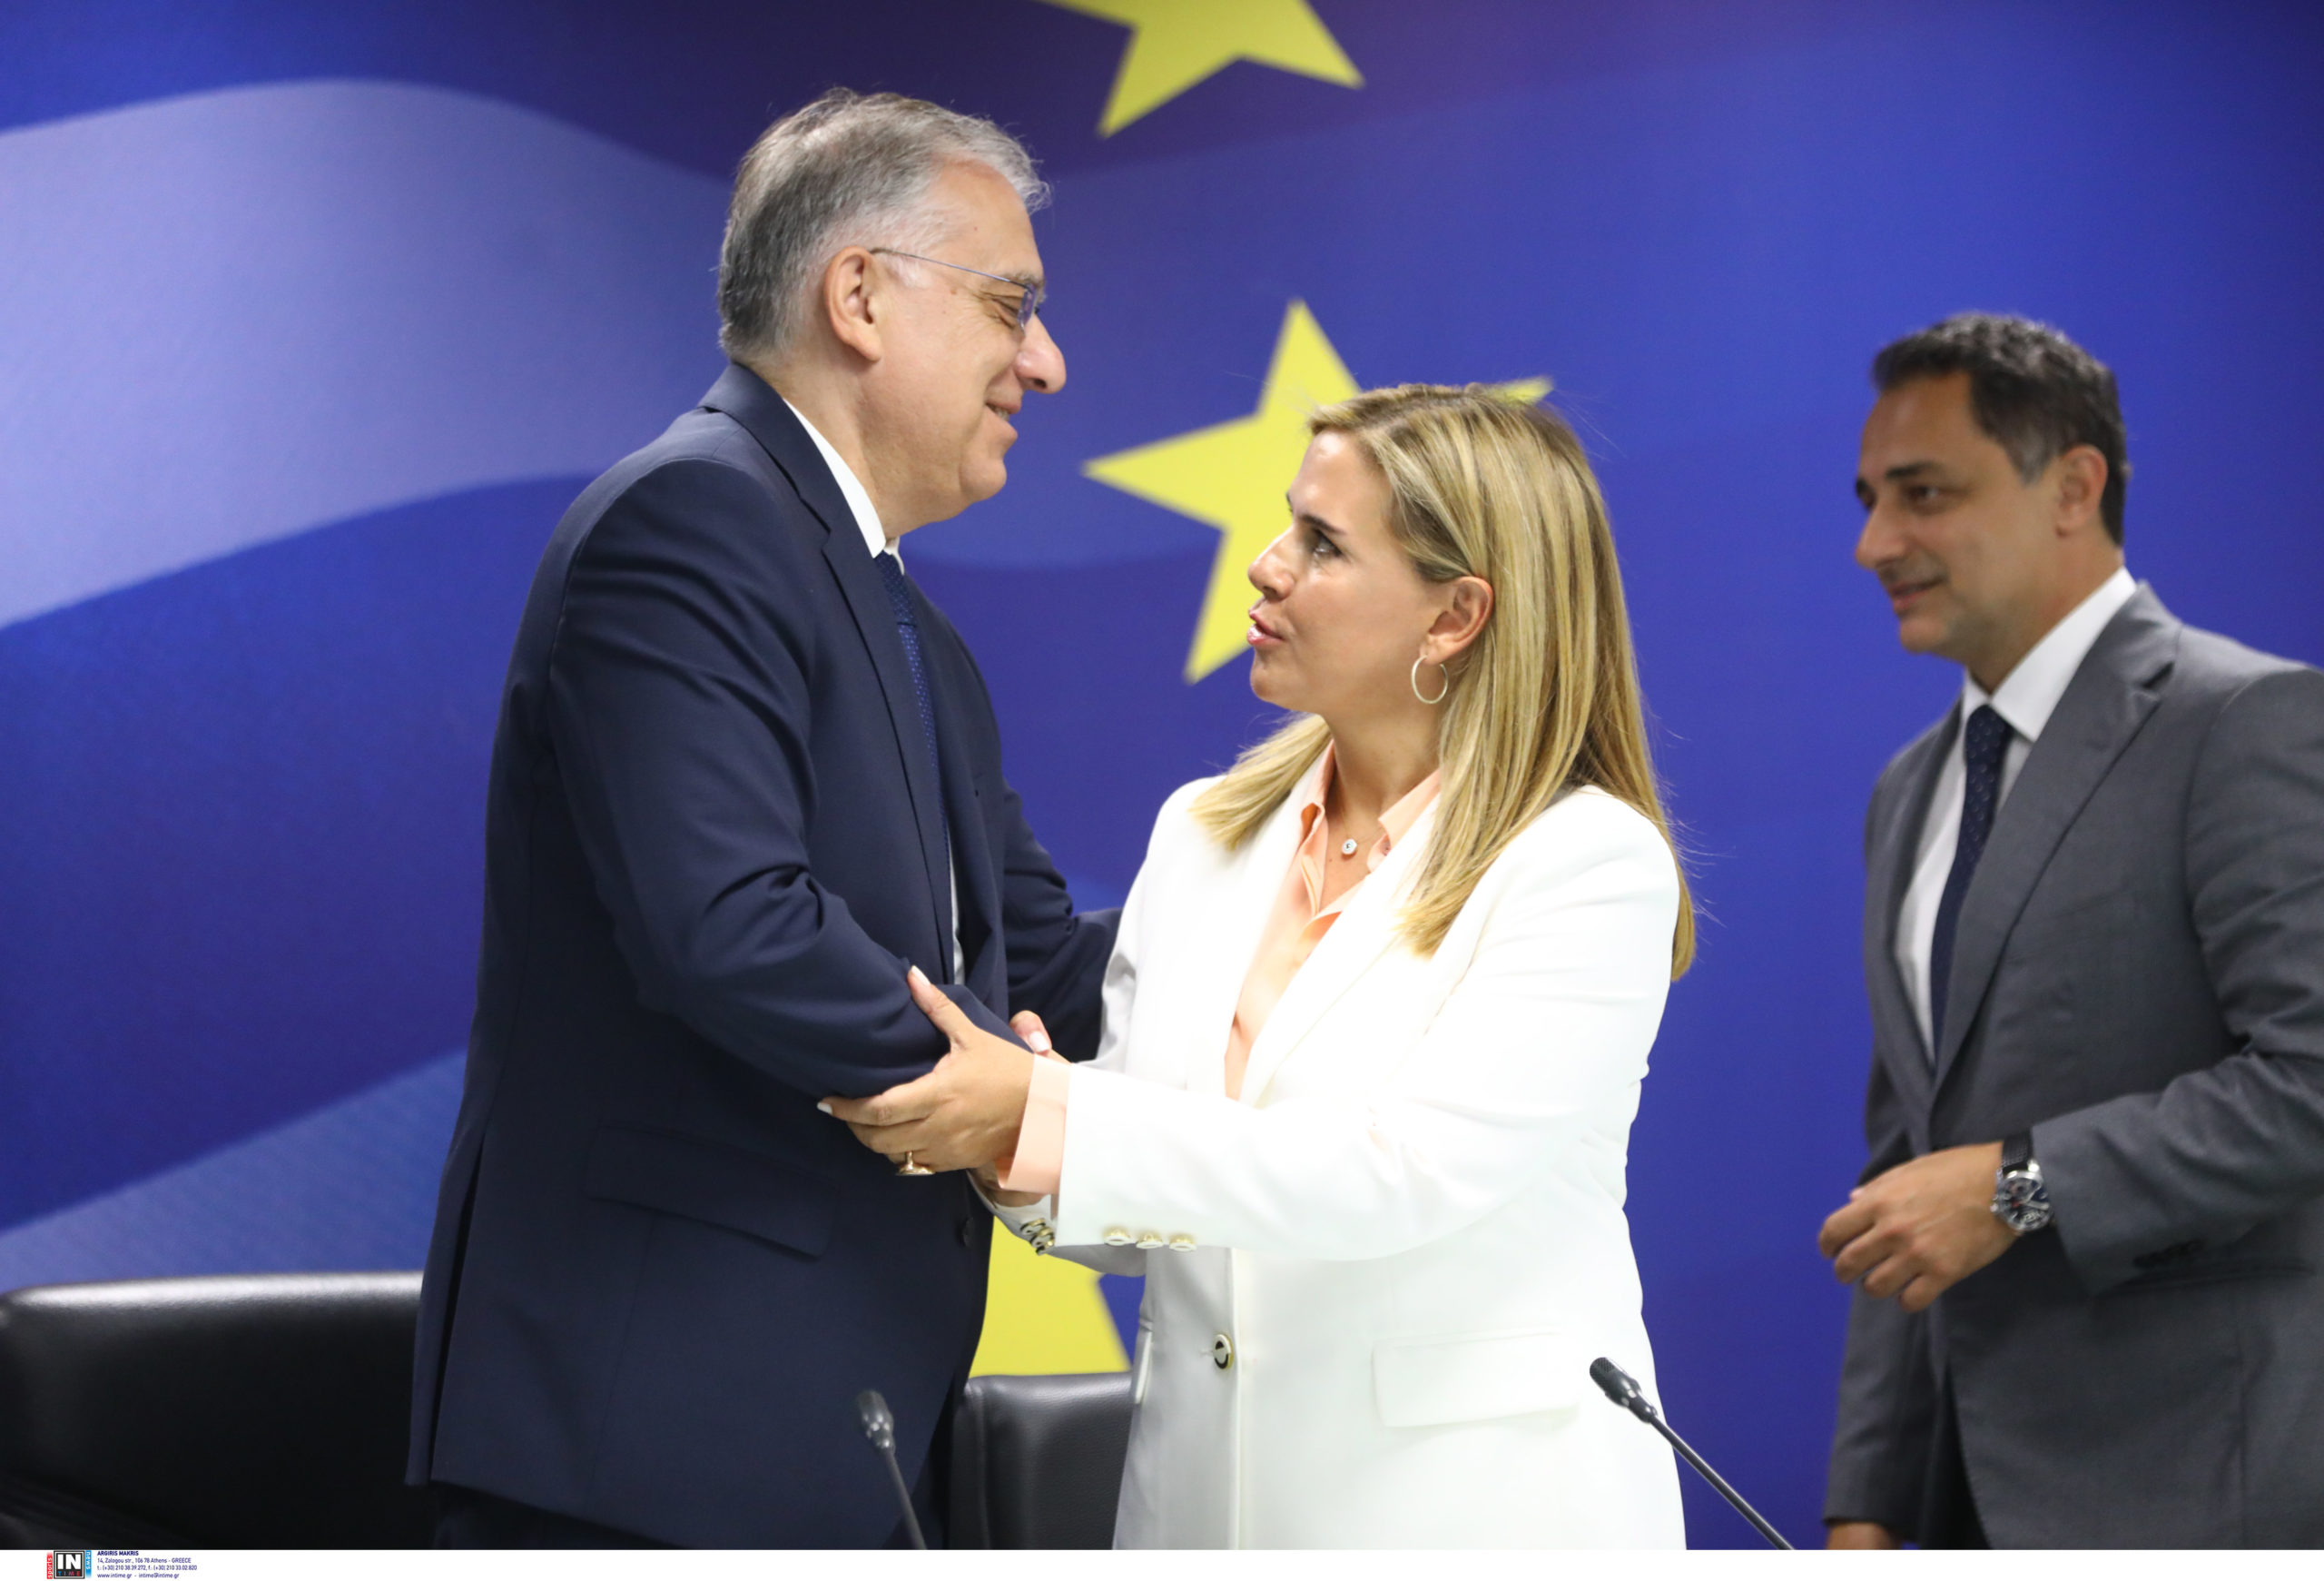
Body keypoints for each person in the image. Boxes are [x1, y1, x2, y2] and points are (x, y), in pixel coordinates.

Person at [405, 89, 1117, 1548]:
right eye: (1011, 304)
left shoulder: (913, 631)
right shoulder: (689, 520)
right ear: (860, 296)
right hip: (647, 1448)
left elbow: (1044, 968)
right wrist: (1015, 1103)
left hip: (820, 1435)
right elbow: (731, 926)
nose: (1045, 361)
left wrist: (1333, 932)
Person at [831, 384, 1695, 1547]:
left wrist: (1048, 1108)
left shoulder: (1584, 863)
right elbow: (1143, 1210)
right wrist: (1011, 1145)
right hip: (1200, 1512)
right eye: (1289, 523)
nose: (1267, 564)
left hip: (1470, 1520)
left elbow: (1400, 1173)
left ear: (1455, 615)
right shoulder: (1204, 831)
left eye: (1322, 543)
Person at [1820, 313, 2324, 1548]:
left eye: (1924, 493)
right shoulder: (1907, 790)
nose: (1874, 543)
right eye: (1872, 500)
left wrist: (2019, 1184)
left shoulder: (2246, 721)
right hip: (1963, 1506)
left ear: (2074, 486)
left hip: (2203, 1492)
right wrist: (1866, 1502)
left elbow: (2309, 1080)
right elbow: (1907, 1170)